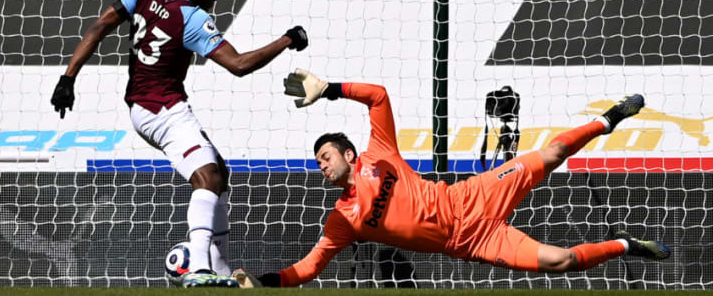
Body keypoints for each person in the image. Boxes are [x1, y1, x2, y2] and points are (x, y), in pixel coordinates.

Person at [233, 69, 670, 288]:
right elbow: (308, 268)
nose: (322, 166)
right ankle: (625, 245)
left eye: (326, 156)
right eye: (318, 163)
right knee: (562, 262)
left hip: (473, 197)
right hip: (471, 243)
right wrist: (264, 281)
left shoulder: (379, 154)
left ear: (349, 154)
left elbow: (378, 96)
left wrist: (329, 89)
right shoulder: (342, 220)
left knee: (554, 152)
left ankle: (608, 119)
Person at [50, 0, 309, 288]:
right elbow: (240, 64)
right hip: (163, 108)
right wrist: (287, 40)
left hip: (142, 106)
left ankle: (220, 267)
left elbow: (100, 26)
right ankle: (198, 268)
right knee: (208, 177)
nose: (215, 1)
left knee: (220, 173)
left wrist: (68, 78)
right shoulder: (192, 18)